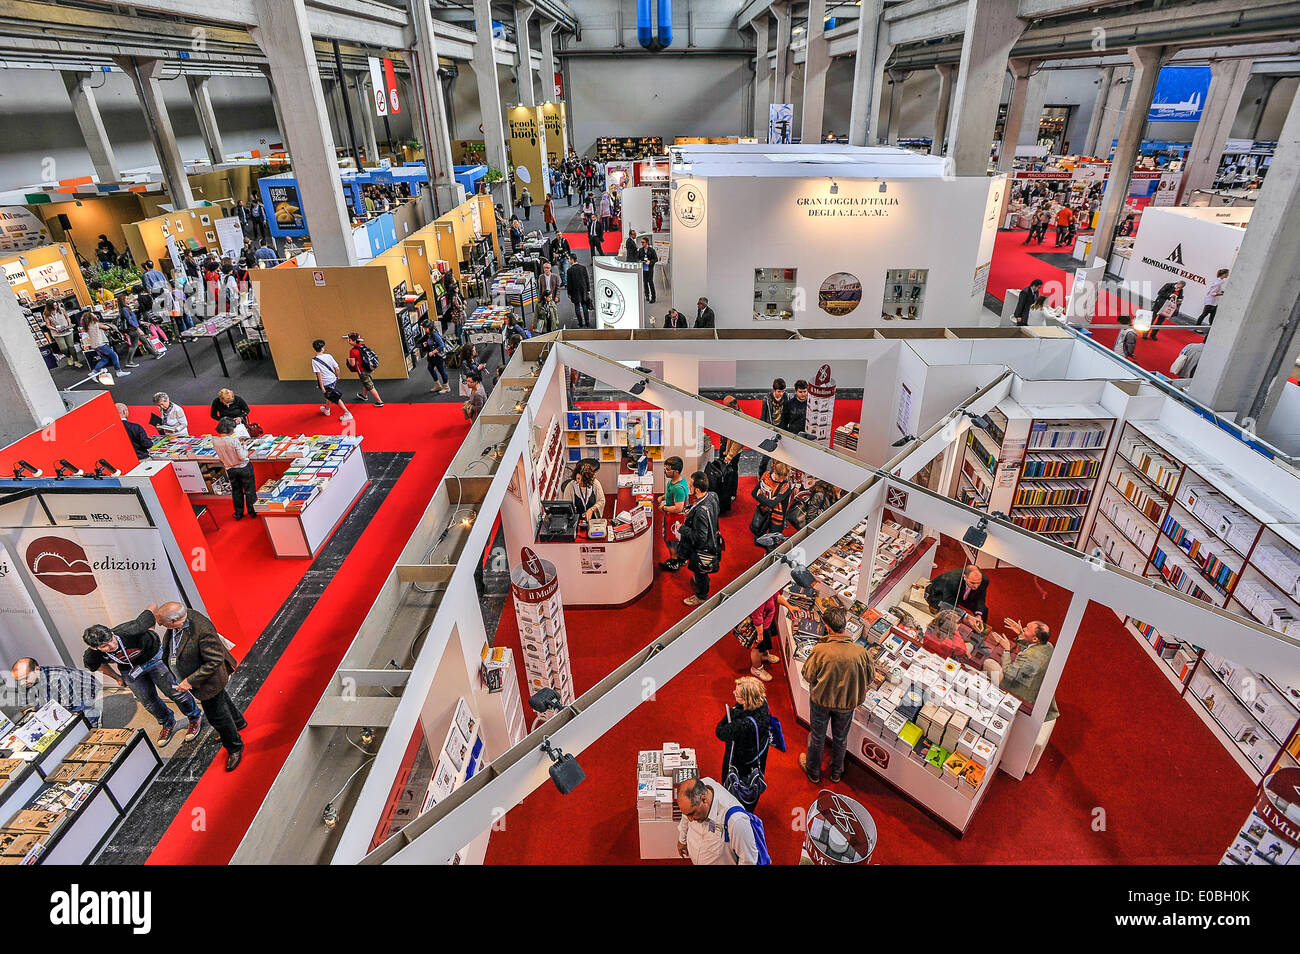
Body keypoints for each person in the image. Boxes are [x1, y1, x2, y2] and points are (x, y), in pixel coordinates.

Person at [82, 614, 202, 748]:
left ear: (111, 632)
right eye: (105, 646)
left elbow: (151, 612)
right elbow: (96, 664)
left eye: (111, 639)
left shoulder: (131, 629)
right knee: (148, 701)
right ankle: (167, 723)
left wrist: (152, 634)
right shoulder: (91, 655)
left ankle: (194, 717)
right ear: (94, 648)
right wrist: (117, 677)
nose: (112, 645)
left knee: (175, 692)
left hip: (153, 657)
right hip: (130, 669)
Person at [153, 601, 246, 771]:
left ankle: (234, 746)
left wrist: (189, 681)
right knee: (222, 699)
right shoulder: (179, 620)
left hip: (208, 682)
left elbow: (214, 661)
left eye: (162, 623)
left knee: (217, 716)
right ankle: (239, 722)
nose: (160, 626)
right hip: (201, 680)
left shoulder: (201, 631)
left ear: (174, 621)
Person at [799, 604, 872, 784]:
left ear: (828, 627)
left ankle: (813, 772)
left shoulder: (820, 650)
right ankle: (837, 772)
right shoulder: (861, 652)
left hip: (821, 702)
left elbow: (808, 675)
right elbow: (870, 677)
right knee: (840, 738)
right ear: (844, 626)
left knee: (817, 736)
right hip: (847, 704)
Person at [716, 675, 773, 811]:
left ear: (747, 700)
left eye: (738, 694)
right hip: (758, 755)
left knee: (735, 790)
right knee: (750, 790)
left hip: (740, 761)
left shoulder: (743, 724)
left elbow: (720, 731)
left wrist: (732, 713)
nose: (734, 694)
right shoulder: (763, 702)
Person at [675, 776, 760, 865]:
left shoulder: (736, 821)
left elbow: (748, 860)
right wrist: (682, 839)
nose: (690, 819)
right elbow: (686, 813)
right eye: (687, 814)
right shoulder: (700, 788)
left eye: (692, 814)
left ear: (704, 799)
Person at [985, 619, 1058, 718]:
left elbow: (1009, 673)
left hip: (1021, 695)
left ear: (1035, 639)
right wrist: (1021, 634)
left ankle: (994, 694)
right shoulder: (1048, 646)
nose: (1023, 628)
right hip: (1035, 689)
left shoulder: (1029, 656)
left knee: (989, 663)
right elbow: (1030, 648)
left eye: (1027, 629)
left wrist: (1006, 649)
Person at [10, 657, 103, 727]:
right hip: (70, 700)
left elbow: (69, 708)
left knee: (78, 727)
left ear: (37, 669)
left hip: (91, 698)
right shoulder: (32, 680)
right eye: (19, 680)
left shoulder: (58, 678)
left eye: (25, 678)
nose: (22, 683)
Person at [678, 471, 721, 607]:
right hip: (713, 537)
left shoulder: (701, 511)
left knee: (701, 572)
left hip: (703, 549)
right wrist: (691, 509)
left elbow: (699, 538)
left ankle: (701, 596)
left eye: (690, 485)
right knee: (700, 572)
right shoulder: (712, 496)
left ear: (696, 489)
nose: (688, 487)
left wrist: (681, 529)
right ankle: (699, 581)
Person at [212, 418, 258, 520]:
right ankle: (253, 512)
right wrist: (245, 447)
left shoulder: (215, 441)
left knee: (236, 491)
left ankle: (238, 513)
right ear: (229, 429)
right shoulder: (234, 440)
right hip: (243, 467)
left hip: (230, 469)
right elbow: (242, 456)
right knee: (250, 491)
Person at [745, 591, 791, 683]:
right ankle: (756, 668)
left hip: (767, 622)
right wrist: (760, 635)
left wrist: (789, 606)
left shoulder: (768, 586)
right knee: (757, 649)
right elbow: (757, 618)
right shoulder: (758, 596)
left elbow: (775, 595)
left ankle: (764, 655)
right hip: (759, 628)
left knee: (765, 644)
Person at [924, 564, 989, 621]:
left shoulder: (984, 580)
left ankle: (978, 633)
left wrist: (978, 614)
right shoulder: (952, 580)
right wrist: (965, 615)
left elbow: (981, 598)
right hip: (940, 594)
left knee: (984, 610)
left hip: (961, 594)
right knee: (948, 616)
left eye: (978, 583)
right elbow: (948, 602)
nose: (976, 586)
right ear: (965, 577)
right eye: (972, 583)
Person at [657, 456, 689, 570]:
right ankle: (680, 558)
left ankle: (674, 561)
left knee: (672, 540)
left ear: (675, 472)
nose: (665, 471)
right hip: (672, 518)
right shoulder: (674, 481)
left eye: (667, 469)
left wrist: (664, 508)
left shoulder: (678, 488)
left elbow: (679, 508)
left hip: (675, 520)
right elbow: (671, 494)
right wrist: (663, 496)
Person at [750, 460, 793, 543]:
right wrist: (768, 500)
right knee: (758, 533)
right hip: (763, 510)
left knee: (773, 539)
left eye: (784, 477)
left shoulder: (786, 485)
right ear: (775, 471)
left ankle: (770, 554)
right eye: (779, 476)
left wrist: (760, 496)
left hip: (778, 515)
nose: (781, 480)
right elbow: (754, 493)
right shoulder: (766, 475)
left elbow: (772, 504)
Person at [312, 339, 354, 422]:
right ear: (323, 348)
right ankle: (327, 409)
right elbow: (337, 368)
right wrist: (338, 376)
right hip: (333, 379)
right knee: (330, 395)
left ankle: (347, 413)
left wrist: (322, 387)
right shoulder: (329, 356)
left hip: (326, 382)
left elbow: (319, 374)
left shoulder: (314, 360)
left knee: (335, 397)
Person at [716, 395, 744, 514]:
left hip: (732, 452)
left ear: (734, 406)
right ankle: (725, 491)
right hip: (725, 446)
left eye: (726, 407)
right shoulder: (730, 414)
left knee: (731, 473)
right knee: (723, 471)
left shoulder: (740, 420)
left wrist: (730, 455)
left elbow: (739, 440)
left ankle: (731, 494)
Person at [343, 331, 384, 407]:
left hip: (362, 371)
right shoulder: (363, 346)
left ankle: (379, 401)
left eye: (349, 339)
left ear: (354, 341)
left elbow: (352, 364)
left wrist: (349, 360)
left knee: (370, 385)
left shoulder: (353, 351)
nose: (348, 341)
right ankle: (364, 396)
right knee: (366, 382)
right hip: (369, 368)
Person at [42, 302, 81, 368]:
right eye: (54, 305)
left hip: (67, 330)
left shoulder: (61, 309)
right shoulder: (46, 314)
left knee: (71, 346)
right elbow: (48, 325)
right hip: (57, 333)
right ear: (49, 306)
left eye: (56, 305)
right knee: (63, 348)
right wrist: (54, 329)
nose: (56, 306)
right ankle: (69, 357)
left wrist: (69, 324)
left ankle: (76, 361)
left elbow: (67, 317)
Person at [418, 319, 451, 393]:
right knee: (430, 368)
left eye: (425, 328)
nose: (425, 330)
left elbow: (442, 345)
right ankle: (437, 385)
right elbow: (431, 342)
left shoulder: (435, 334)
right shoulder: (429, 334)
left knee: (442, 371)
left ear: (429, 327)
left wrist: (433, 352)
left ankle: (446, 387)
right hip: (432, 357)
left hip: (438, 356)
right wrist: (427, 343)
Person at [566, 252, 592, 328]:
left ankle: (580, 323)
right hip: (583, 290)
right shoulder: (583, 268)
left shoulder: (569, 271)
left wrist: (569, 293)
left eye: (569, 259)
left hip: (575, 292)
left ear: (571, 260)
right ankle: (587, 322)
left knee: (577, 307)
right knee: (584, 306)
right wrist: (588, 289)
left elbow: (569, 283)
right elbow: (587, 279)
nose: (568, 261)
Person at [638, 236, 658, 303]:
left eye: (643, 242)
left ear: (647, 243)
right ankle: (647, 295)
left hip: (649, 269)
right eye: (641, 242)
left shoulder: (652, 250)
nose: (642, 243)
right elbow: (638, 258)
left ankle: (653, 297)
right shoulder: (640, 250)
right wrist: (640, 261)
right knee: (645, 282)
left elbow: (656, 259)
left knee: (650, 282)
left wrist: (650, 262)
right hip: (643, 268)